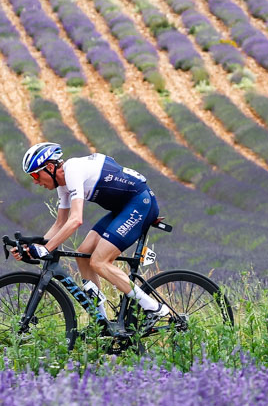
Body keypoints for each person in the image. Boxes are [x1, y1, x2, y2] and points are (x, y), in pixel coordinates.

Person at [20, 142, 166, 335]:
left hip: (140, 203)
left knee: (99, 261)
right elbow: (59, 224)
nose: (35, 182)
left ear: (50, 167)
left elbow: (76, 220)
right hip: (124, 208)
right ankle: (102, 323)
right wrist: (31, 247)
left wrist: (46, 250)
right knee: (83, 255)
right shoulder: (62, 184)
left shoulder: (73, 171)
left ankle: (154, 309)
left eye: (36, 175)